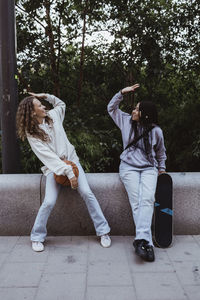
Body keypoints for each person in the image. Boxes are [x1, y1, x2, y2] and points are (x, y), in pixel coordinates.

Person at [16, 92, 111, 252]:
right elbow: (49, 158)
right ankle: (37, 237)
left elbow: (61, 105)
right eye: (39, 105)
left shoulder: (53, 116)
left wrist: (45, 96)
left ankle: (104, 232)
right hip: (53, 169)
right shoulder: (32, 134)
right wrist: (69, 173)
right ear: (32, 112)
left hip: (72, 162)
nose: (43, 106)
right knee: (49, 202)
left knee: (87, 193)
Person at [107, 84, 166, 262]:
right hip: (128, 168)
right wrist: (121, 93)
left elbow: (161, 153)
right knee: (136, 203)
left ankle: (141, 241)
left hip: (149, 168)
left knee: (147, 199)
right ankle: (146, 242)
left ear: (145, 114)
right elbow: (111, 108)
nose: (133, 110)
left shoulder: (156, 131)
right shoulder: (125, 121)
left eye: (137, 109)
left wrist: (162, 169)